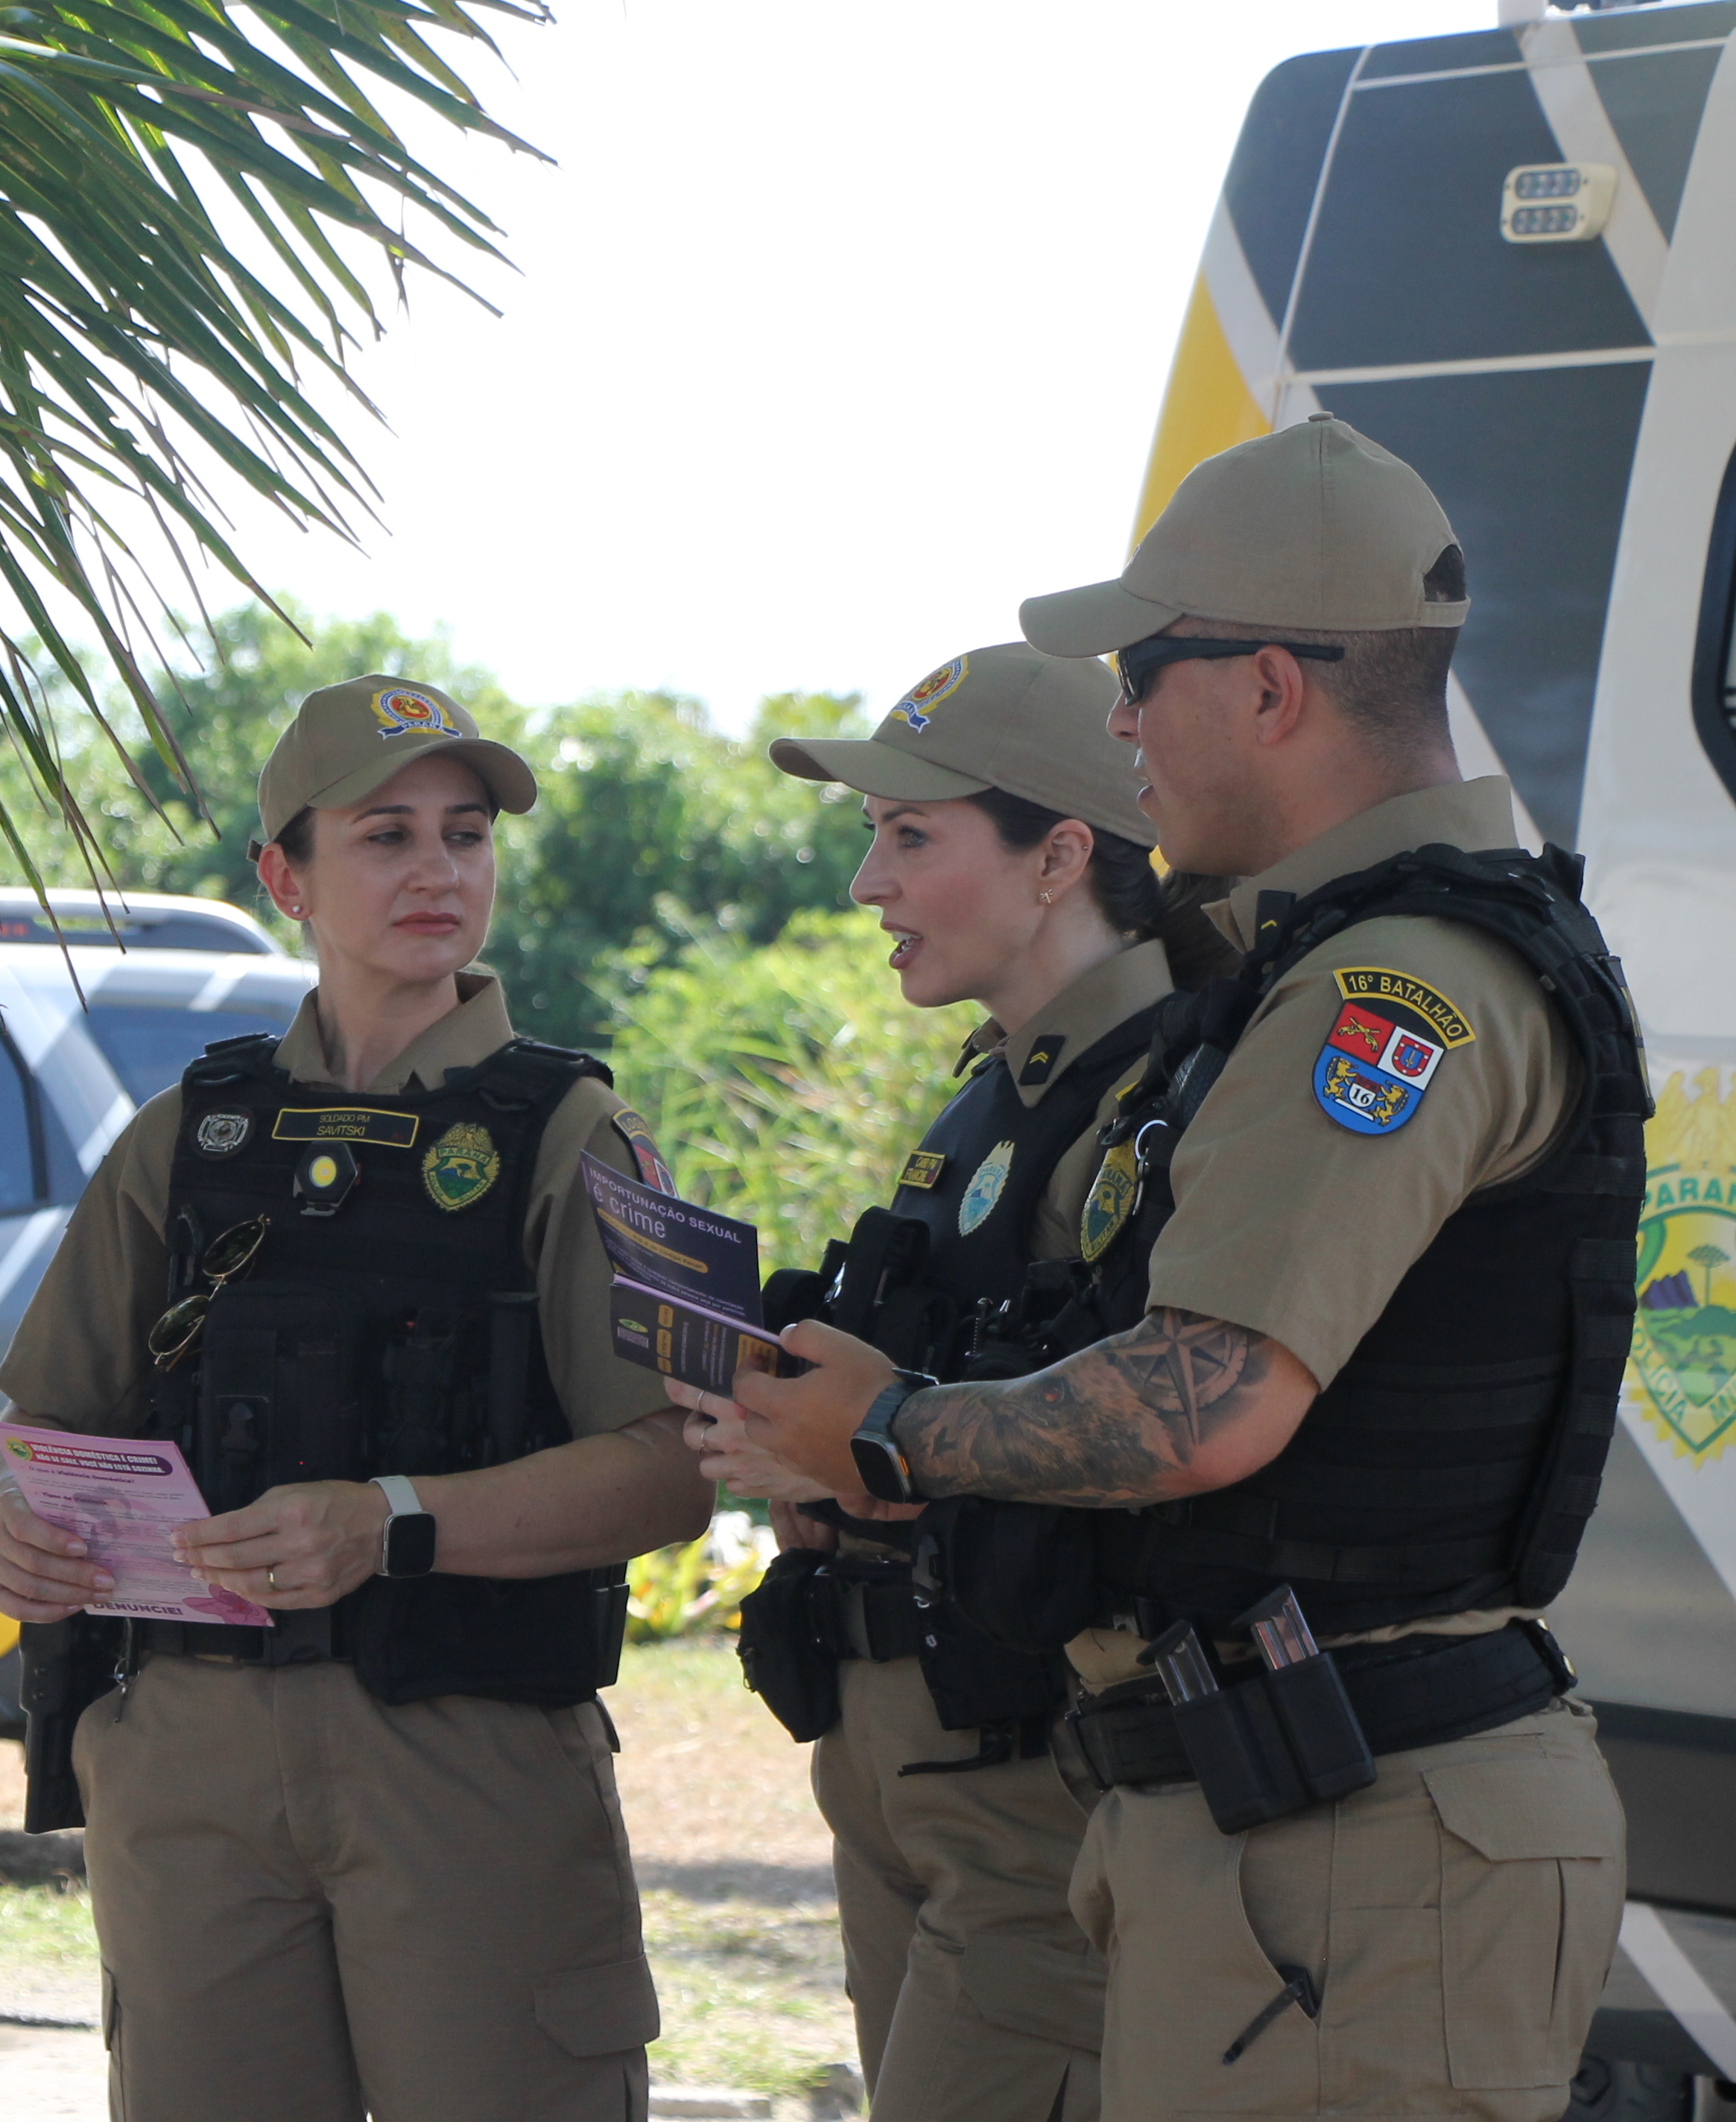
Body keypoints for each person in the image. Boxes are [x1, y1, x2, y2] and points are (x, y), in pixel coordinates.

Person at [694, 417, 1643, 2122]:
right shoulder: (1321, 965)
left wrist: (894, 1428)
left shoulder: (1393, 985)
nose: (1117, 723)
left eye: (1143, 673)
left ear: (1271, 687)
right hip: (1297, 1822)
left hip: (1360, 1834)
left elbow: (1212, 1399)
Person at [0, 674, 715, 2122]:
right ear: (284, 874)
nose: (439, 868)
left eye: (467, 833)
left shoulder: (577, 1133)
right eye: (386, 835)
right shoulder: (186, 1136)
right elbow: (43, 1424)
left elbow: (677, 1469)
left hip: (470, 1751)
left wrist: (395, 1519)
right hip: (190, 1756)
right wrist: (11, 1519)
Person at [738, 641, 1221, 2122]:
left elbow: (1157, 1435)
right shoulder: (999, 1086)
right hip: (900, 1752)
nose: (866, 885)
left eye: (909, 835)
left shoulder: (1172, 1092)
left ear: (1061, 853)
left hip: (1034, 1771)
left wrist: (891, 1441)